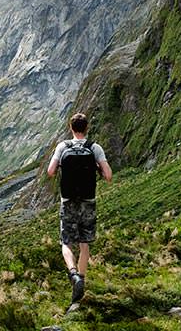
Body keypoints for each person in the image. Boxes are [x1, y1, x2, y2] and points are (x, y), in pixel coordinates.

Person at [46, 112, 112, 305]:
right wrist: (98, 169)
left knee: (66, 242)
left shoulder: (62, 146)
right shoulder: (95, 147)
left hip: (67, 201)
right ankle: (81, 281)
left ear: (71, 128)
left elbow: (50, 172)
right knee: (84, 243)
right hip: (88, 201)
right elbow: (108, 176)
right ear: (87, 127)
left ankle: (73, 274)